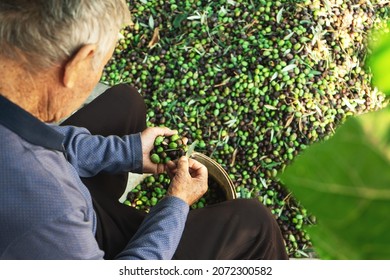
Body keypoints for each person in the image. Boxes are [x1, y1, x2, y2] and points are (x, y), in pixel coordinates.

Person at [0, 0, 288, 260]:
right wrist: (175, 205)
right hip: (79, 240)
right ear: (77, 65)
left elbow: (53, 144)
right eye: (100, 63)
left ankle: (116, 213)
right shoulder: (49, 202)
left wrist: (130, 151)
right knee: (255, 223)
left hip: (69, 202)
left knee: (126, 102)